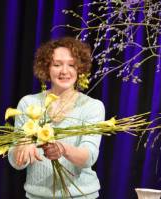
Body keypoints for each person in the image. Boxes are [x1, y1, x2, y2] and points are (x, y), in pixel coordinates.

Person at [8, 37, 105, 199]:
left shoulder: (92, 106)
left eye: (71, 65)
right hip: (37, 196)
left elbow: (89, 157)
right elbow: (15, 161)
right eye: (57, 64)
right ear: (46, 68)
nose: (64, 71)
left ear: (80, 69)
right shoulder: (28, 103)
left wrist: (63, 149)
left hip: (81, 195)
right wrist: (22, 147)